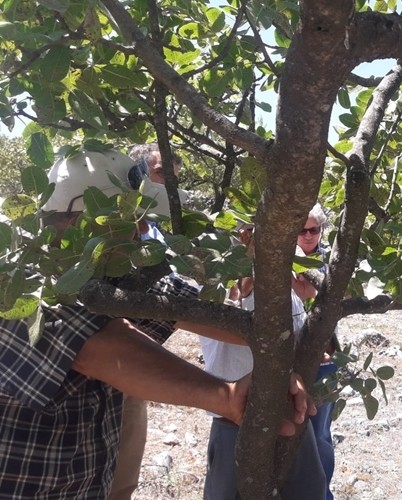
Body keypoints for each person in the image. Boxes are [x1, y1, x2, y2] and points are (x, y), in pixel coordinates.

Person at [0, 149, 312, 499]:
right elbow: (100, 346)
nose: (145, 228)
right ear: (81, 221)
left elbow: (187, 306)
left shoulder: (106, 273)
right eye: (133, 219)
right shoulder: (18, 283)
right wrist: (226, 396)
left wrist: (277, 327)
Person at [199, 223, 327, 500]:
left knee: (309, 490)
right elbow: (233, 313)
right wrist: (247, 271)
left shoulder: (287, 283)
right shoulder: (217, 284)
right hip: (233, 420)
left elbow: (295, 334)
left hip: (287, 414)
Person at [109, 144, 177, 500]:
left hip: (131, 378)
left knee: (122, 480)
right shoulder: (111, 236)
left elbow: (173, 298)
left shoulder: (160, 233)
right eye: (163, 172)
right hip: (104, 368)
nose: (172, 182)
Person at [293, 203, 338, 500]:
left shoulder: (331, 262)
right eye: (302, 230)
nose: (309, 236)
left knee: (320, 435)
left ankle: (323, 494)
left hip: (324, 362)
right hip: (287, 363)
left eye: (314, 230)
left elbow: (327, 298)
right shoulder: (280, 259)